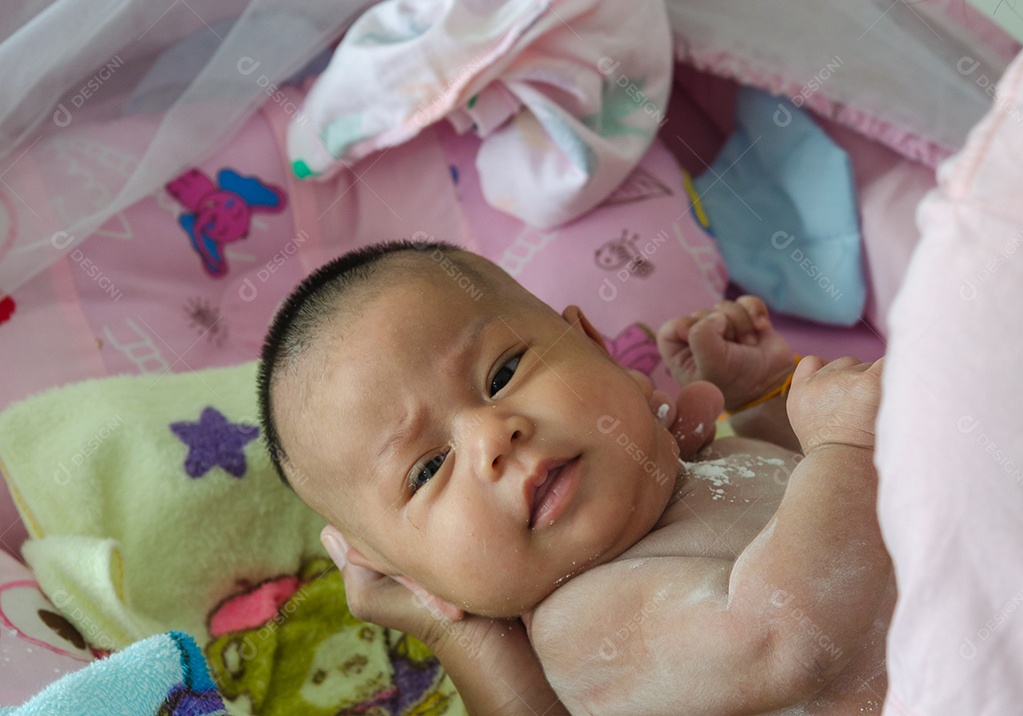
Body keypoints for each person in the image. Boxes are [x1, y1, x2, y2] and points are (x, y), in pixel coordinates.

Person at [257, 240, 893, 715]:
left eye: (502, 374)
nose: (490, 436)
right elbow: (788, 639)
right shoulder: (588, 624)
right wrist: (844, 444)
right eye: (426, 469)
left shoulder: (698, 460)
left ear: (594, 343)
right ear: (415, 583)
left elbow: (828, 518)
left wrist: (765, 399)